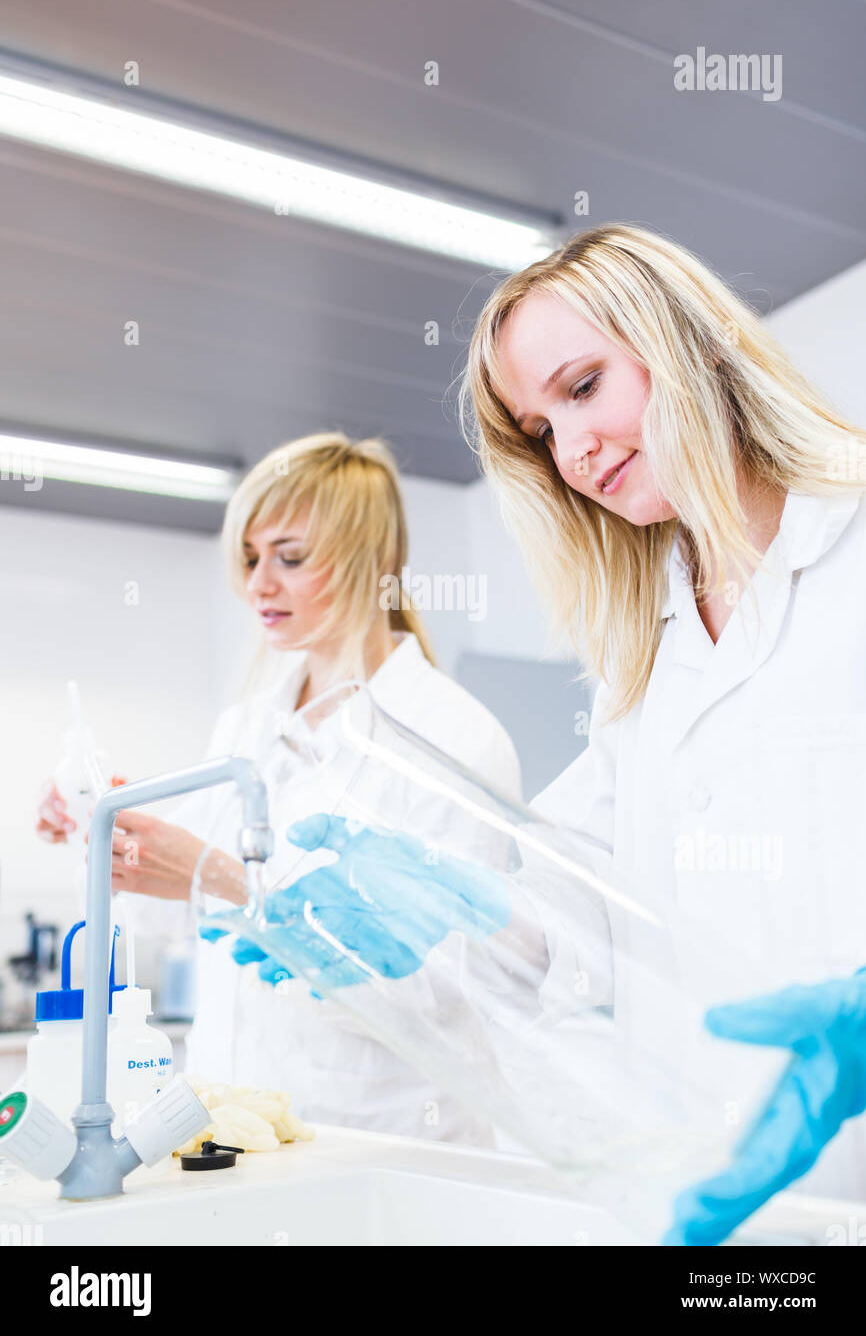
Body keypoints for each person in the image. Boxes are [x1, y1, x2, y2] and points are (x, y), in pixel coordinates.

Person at [222, 225, 866, 1234]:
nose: (571, 452)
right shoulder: (640, 657)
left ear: (690, 339)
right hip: (700, 1193)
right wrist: (445, 902)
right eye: (539, 431)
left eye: (582, 388)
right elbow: (572, 911)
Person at [37, 432, 521, 1144]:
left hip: (382, 1139)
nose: (259, 585)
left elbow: (446, 991)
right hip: (232, 1127)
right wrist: (103, 821)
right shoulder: (247, 727)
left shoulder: (454, 737)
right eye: (251, 558)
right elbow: (166, 919)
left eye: (291, 558)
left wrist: (223, 879)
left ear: (374, 560)